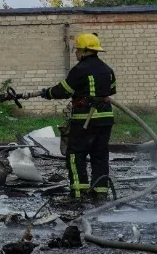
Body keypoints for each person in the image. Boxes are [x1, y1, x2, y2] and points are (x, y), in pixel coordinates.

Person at [39, 33, 116, 202]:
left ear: (84, 51)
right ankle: (100, 192)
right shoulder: (107, 69)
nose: (76, 53)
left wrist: (47, 93)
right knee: (100, 155)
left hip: (84, 120)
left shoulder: (79, 69)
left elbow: (63, 90)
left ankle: (79, 194)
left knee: (76, 155)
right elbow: (111, 90)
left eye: (77, 50)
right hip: (105, 119)